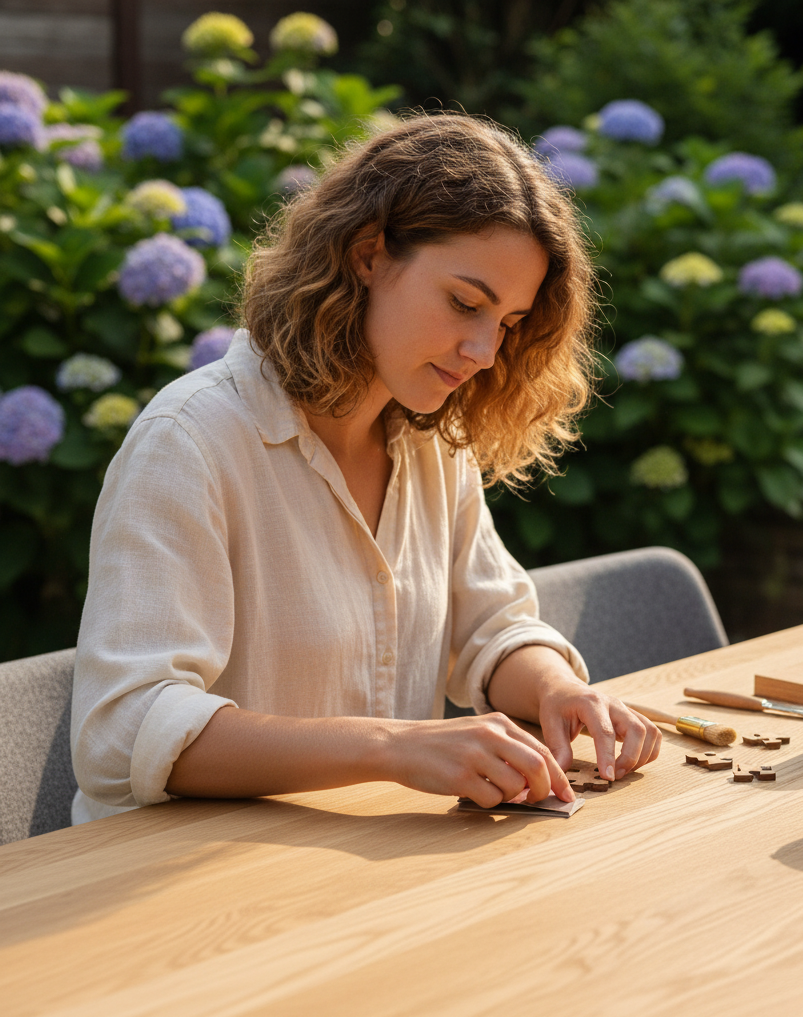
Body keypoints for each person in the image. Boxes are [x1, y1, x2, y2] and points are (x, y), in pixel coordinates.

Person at [70, 113, 661, 825]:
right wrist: (391, 747)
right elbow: (126, 731)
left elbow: (491, 627)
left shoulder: (432, 442)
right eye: (465, 303)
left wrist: (558, 690)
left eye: (505, 323)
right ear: (368, 255)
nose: (483, 350)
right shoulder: (190, 442)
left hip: (368, 875)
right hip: (172, 890)